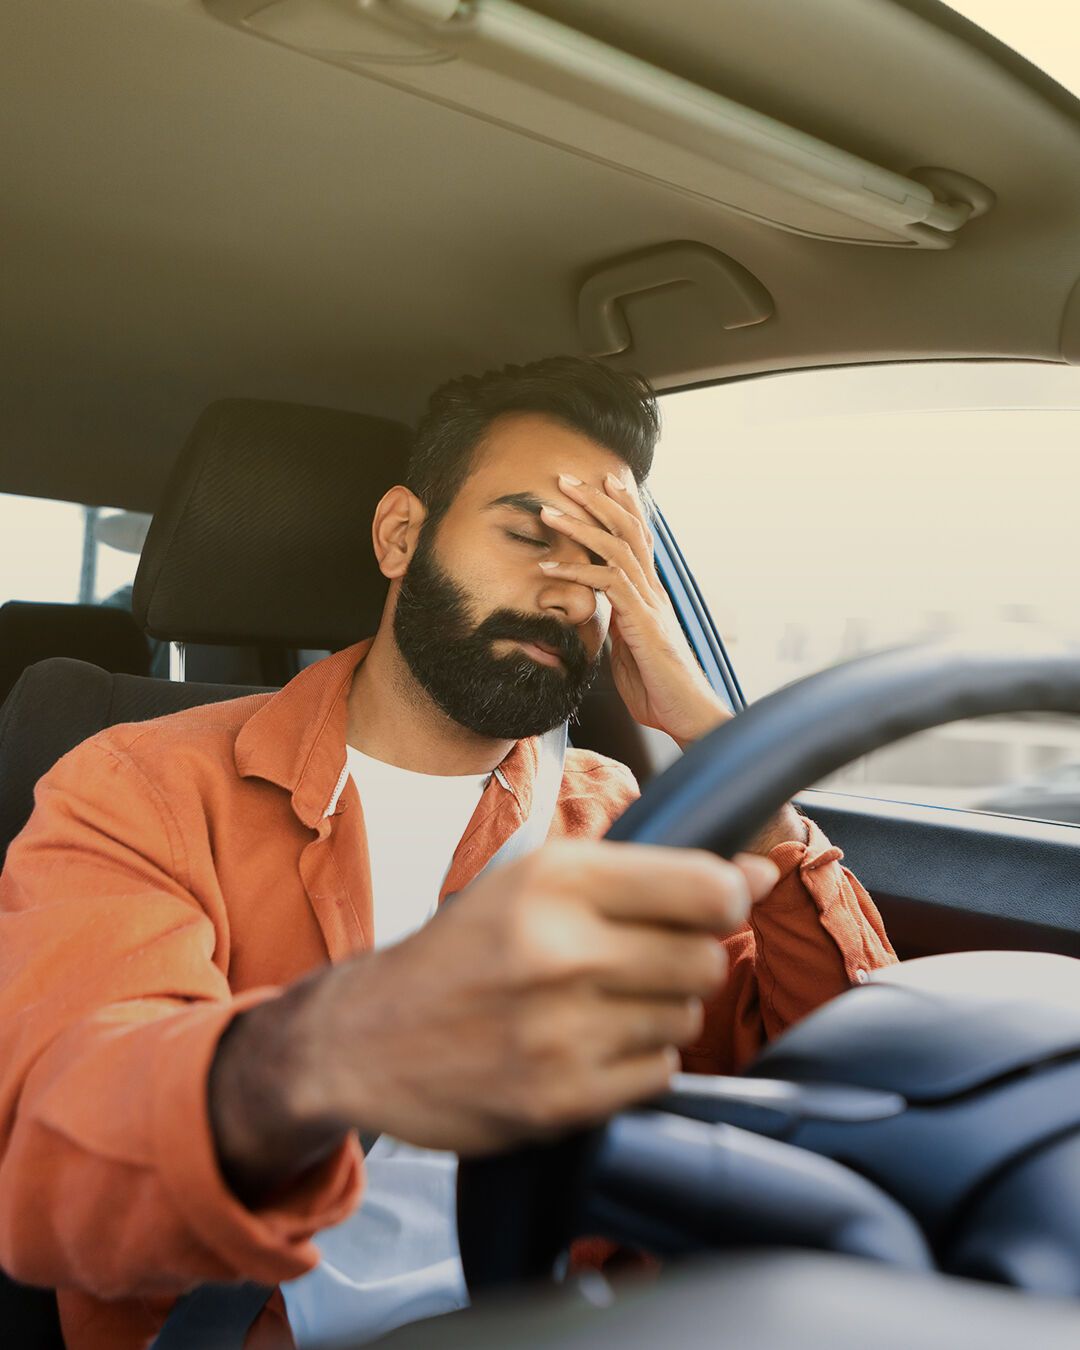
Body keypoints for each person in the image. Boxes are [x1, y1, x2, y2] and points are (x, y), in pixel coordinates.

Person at [0, 357, 895, 1349]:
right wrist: (338, 1046)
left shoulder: (618, 816)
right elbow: (69, 1167)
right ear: (400, 535)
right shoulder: (141, 787)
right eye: (530, 536)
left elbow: (850, 1095)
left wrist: (724, 747)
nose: (568, 594)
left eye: (606, 565)